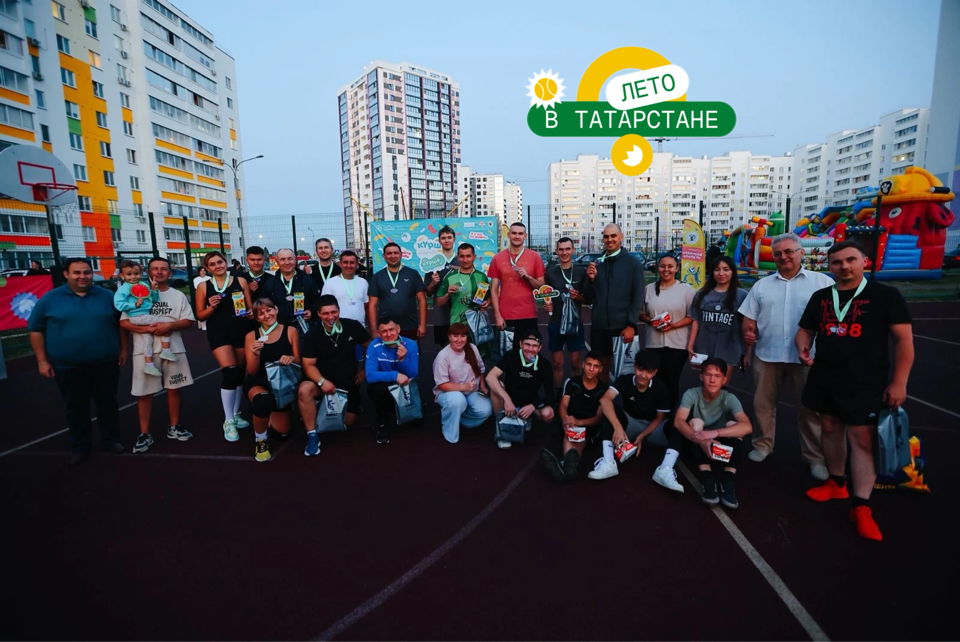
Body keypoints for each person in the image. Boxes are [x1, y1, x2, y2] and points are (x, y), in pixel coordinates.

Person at [796, 240, 914, 541]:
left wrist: (899, 382)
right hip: (825, 377)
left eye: (850, 260)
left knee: (862, 439)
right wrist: (803, 345)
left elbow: (903, 340)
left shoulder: (885, 295)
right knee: (829, 427)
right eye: (837, 262)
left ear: (864, 261)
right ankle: (837, 482)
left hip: (866, 381)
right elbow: (805, 330)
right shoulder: (822, 297)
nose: (844, 266)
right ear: (829, 266)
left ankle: (861, 506)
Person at [738, 232, 834, 480]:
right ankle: (762, 445)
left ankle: (815, 457)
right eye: (778, 253)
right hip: (767, 355)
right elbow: (749, 318)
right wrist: (748, 332)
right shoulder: (762, 285)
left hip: (806, 358)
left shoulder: (822, 283)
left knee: (810, 410)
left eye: (789, 251)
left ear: (801, 253)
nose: (783, 257)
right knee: (762, 405)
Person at [28, 257, 129, 466]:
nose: (82, 277)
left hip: (105, 363)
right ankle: (81, 447)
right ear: (66, 274)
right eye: (77, 272)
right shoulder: (50, 299)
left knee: (108, 404)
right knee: (75, 407)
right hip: (68, 366)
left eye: (87, 272)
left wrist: (124, 349)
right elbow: (36, 330)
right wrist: (42, 361)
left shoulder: (107, 296)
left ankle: (111, 441)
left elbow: (122, 324)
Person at [651, 357, 752, 509]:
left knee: (735, 426)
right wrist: (703, 440)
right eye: (708, 375)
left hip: (718, 448)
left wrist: (715, 433)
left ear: (724, 379)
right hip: (696, 445)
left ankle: (728, 479)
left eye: (717, 376)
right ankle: (707, 477)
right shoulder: (691, 394)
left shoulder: (729, 399)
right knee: (696, 422)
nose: (712, 380)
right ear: (701, 376)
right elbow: (678, 421)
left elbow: (747, 427)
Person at [119, 257, 196, 453]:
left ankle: (174, 426)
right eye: (155, 268)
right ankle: (145, 433)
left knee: (174, 389)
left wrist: (169, 325)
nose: (159, 272)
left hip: (173, 349)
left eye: (164, 269)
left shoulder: (178, 295)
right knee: (144, 393)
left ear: (169, 273)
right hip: (144, 352)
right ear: (148, 272)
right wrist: (147, 330)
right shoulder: (134, 291)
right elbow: (124, 323)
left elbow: (188, 321)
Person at [298, 294, 371, 456]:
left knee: (348, 423)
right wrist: (322, 382)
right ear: (319, 314)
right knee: (304, 390)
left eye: (333, 312)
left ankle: (320, 408)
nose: (330, 317)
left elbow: (371, 346)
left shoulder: (352, 326)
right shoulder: (313, 334)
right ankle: (312, 435)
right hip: (322, 383)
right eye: (325, 313)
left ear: (339, 310)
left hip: (347, 383)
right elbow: (308, 365)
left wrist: (364, 369)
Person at [195, 250, 253, 442]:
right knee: (230, 371)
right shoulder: (203, 286)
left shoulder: (240, 281)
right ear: (207, 268)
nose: (217, 266)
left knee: (240, 373)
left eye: (220, 262)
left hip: (241, 330)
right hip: (219, 333)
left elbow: (250, 308)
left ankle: (235, 414)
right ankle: (228, 421)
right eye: (212, 264)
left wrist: (249, 313)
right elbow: (200, 316)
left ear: (225, 262)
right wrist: (211, 307)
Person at [539, 350, 621, 482]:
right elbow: (563, 405)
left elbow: (598, 418)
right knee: (570, 434)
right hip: (570, 425)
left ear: (600, 369)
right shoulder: (571, 382)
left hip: (590, 430)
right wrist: (566, 420)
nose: (591, 369)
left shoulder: (603, 390)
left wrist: (578, 422)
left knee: (579, 439)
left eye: (595, 366)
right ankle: (569, 467)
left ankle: (564, 464)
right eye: (589, 364)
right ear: (583, 364)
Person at [582, 223, 646, 376]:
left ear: (621, 237)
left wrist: (631, 324)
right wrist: (591, 280)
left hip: (623, 326)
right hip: (599, 327)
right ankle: (602, 393)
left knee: (626, 371)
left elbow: (638, 296)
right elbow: (588, 297)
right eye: (606, 236)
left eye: (613, 236)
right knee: (600, 368)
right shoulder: (597, 263)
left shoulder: (633, 264)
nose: (609, 239)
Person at [243, 297, 301, 463]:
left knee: (282, 434)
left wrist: (291, 358)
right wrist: (255, 355)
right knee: (263, 402)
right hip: (259, 382)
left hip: (281, 384)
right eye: (261, 314)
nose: (267, 315)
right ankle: (260, 441)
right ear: (256, 318)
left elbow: (298, 360)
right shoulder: (251, 336)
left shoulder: (290, 331)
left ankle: (267, 416)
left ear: (276, 309)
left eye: (269, 310)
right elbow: (251, 372)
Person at [639, 254, 695, 409]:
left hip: (678, 344)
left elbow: (692, 316)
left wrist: (673, 325)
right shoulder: (649, 289)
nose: (666, 270)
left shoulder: (686, 290)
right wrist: (651, 321)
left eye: (670, 266)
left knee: (671, 380)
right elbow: (641, 313)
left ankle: (669, 414)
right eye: (663, 266)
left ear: (677, 268)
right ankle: (656, 413)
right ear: (658, 268)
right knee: (655, 380)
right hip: (654, 343)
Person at [485, 329, 556, 450]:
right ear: (520, 344)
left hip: (529, 403)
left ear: (540, 347)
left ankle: (526, 418)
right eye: (527, 344)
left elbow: (551, 396)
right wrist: (507, 399)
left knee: (548, 413)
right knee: (497, 385)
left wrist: (533, 406)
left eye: (534, 346)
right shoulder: (511, 356)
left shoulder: (544, 364)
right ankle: (501, 427)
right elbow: (490, 377)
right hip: (509, 402)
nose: (530, 349)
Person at [687, 256, 748, 380]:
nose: (721, 273)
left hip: (729, 349)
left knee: (721, 383)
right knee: (707, 383)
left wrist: (747, 352)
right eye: (717, 269)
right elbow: (695, 320)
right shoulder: (702, 294)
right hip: (704, 347)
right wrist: (690, 346)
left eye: (726, 269)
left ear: (732, 272)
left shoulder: (742, 295)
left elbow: (747, 327)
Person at [602, 349, 672, 457]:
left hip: (653, 429)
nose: (643, 375)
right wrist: (618, 428)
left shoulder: (660, 388)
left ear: (654, 372)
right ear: (634, 365)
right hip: (631, 425)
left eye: (649, 372)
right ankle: (608, 459)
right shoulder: (625, 380)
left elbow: (660, 418)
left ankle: (668, 464)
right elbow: (604, 400)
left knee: (676, 422)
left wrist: (642, 435)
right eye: (640, 369)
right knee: (609, 408)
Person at [113, 259, 175, 377]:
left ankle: (149, 365)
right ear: (122, 276)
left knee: (148, 339)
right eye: (129, 274)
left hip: (144, 315)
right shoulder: (124, 289)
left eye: (136, 273)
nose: (133, 277)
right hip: (137, 317)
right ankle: (166, 350)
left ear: (141, 273)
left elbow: (154, 300)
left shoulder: (143, 285)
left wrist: (154, 289)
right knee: (165, 324)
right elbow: (119, 304)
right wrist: (134, 305)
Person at [433, 322, 492, 443]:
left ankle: (461, 419)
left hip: (470, 391)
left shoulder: (472, 348)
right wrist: (464, 387)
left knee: (486, 410)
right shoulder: (443, 356)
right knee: (457, 400)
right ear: (449, 337)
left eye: (463, 336)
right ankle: (450, 433)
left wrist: (482, 386)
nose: (459, 340)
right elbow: (442, 385)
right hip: (449, 393)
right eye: (455, 336)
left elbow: (480, 370)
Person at [543, 237, 588, 394]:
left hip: (575, 323)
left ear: (573, 250)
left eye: (568, 249)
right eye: (561, 249)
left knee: (575, 363)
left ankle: (575, 393)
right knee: (557, 364)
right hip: (556, 322)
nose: (564, 253)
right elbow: (547, 295)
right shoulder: (551, 272)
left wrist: (578, 297)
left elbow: (587, 299)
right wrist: (547, 304)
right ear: (556, 251)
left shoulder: (581, 272)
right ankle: (558, 395)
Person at [365, 316, 420, 444]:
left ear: (398, 329)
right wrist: (395, 375)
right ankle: (382, 423)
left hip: (405, 386)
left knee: (418, 424)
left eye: (391, 329)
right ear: (378, 333)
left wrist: (403, 360)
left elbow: (413, 374)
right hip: (385, 387)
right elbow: (370, 376)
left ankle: (404, 405)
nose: (388, 334)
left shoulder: (411, 345)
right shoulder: (374, 346)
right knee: (376, 389)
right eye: (384, 331)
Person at [488, 222, 545, 338]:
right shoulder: (497, 258)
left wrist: (528, 278)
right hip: (505, 315)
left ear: (525, 236)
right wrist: (497, 315)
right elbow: (493, 290)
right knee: (507, 349)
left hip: (528, 314)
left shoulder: (535, 257)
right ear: (509, 235)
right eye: (514, 233)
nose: (517, 236)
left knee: (529, 348)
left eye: (520, 233)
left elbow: (541, 286)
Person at [367, 243, 426, 341]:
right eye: (389, 253)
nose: (393, 256)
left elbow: (422, 300)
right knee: (387, 351)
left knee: (410, 350)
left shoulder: (412, 274)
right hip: (386, 327)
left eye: (396, 253)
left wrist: (423, 325)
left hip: (410, 325)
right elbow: (372, 305)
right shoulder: (377, 277)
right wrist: (373, 330)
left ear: (401, 254)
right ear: (384, 256)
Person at [435, 243, 490, 335]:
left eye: (468, 256)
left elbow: (488, 297)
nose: (465, 260)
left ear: (474, 257)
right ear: (457, 257)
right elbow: (439, 303)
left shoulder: (481, 276)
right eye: (462, 256)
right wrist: (448, 294)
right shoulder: (450, 277)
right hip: (456, 325)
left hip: (477, 325)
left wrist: (486, 303)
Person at [267, 248, 320, 332]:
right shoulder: (270, 283)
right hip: (278, 330)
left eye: (290, 259)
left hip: (303, 329)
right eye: (282, 259)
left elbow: (318, 302)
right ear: (277, 261)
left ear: (295, 260)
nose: (287, 262)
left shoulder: (308, 281)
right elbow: (264, 306)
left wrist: (311, 312)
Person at [423, 226, 459, 347]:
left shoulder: (462, 260)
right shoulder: (433, 262)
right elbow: (428, 293)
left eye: (449, 237)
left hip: (460, 310)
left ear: (454, 239)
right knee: (444, 346)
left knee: (462, 344)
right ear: (439, 241)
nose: (446, 240)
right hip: (441, 312)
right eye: (443, 238)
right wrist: (433, 283)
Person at [321, 250, 369, 327]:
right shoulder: (330, 283)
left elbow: (366, 306)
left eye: (352, 262)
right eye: (345, 262)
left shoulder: (363, 282)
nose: (348, 265)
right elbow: (325, 308)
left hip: (360, 328)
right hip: (338, 328)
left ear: (357, 264)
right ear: (340, 264)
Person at [193, 267, 210, 331]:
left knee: (208, 310)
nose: (202, 272)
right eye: (201, 270)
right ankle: (202, 325)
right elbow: (197, 287)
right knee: (201, 310)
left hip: (208, 295)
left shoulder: (209, 278)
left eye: (204, 270)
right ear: (199, 272)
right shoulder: (196, 279)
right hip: (200, 296)